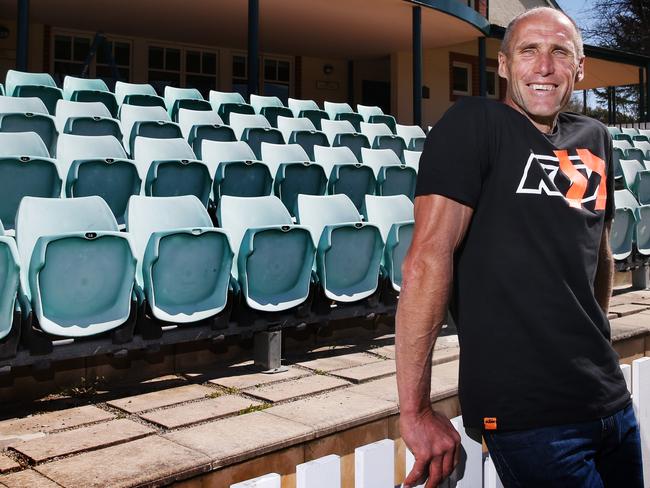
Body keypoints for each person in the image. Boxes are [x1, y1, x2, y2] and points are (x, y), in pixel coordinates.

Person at [396, 6, 643, 488]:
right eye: (528, 51)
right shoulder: (475, 123)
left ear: (580, 67)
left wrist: (597, 345)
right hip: (532, 417)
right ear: (504, 65)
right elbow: (427, 259)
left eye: (559, 53)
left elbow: (600, 254)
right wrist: (415, 408)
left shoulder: (594, 138)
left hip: (609, 401)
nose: (544, 67)